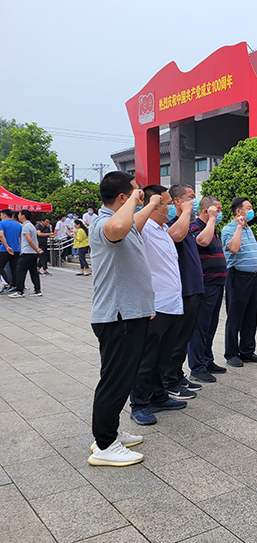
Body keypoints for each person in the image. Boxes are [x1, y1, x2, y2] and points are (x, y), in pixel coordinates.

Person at [87, 171, 154, 467]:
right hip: (118, 317)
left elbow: (131, 224)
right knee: (115, 381)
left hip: (129, 314)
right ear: (123, 197)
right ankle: (104, 444)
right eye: (135, 192)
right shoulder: (104, 223)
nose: (140, 195)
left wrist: (150, 204)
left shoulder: (124, 223)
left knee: (121, 377)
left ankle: (110, 433)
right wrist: (133, 201)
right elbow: (117, 226)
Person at [129, 184, 188, 425]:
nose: (170, 208)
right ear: (155, 204)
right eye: (167, 203)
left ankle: (159, 396)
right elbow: (131, 225)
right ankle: (139, 404)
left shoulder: (163, 229)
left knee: (164, 356)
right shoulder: (144, 228)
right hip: (155, 305)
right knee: (147, 358)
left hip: (172, 303)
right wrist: (147, 202)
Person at [162, 184, 205, 399]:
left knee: (185, 337)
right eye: (190, 197)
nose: (194, 201)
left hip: (194, 288)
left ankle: (178, 375)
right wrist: (186, 212)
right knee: (177, 340)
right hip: (183, 290)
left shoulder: (186, 224)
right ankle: (169, 381)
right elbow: (176, 236)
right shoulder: (172, 225)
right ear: (177, 201)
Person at [221, 197, 257, 368]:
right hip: (237, 277)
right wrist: (239, 227)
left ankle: (247, 351)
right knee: (235, 317)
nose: (251, 210)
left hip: (253, 277)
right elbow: (233, 248)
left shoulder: (249, 228)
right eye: (248, 208)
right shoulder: (229, 229)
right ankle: (231, 353)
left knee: (250, 316)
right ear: (238, 211)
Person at [186, 196, 227, 382]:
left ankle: (207, 360)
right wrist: (211, 220)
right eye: (217, 209)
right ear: (206, 211)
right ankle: (197, 367)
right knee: (200, 327)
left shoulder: (212, 229)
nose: (219, 213)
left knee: (210, 325)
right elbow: (202, 241)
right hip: (205, 284)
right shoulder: (195, 227)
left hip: (217, 283)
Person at [8, 210, 43, 298]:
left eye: (19, 215)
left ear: (23, 216)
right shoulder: (32, 226)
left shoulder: (26, 227)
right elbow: (35, 239)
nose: (18, 216)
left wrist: (36, 248)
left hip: (27, 252)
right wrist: (36, 249)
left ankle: (19, 291)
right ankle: (37, 290)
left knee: (20, 271)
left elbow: (29, 240)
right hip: (33, 253)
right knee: (33, 271)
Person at [0, 209, 22, 293]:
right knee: (14, 268)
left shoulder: (1, 223)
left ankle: (7, 284)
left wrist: (6, 246)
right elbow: (20, 236)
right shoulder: (18, 225)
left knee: (0, 267)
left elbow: (1, 235)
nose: (0, 217)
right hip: (16, 249)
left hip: (5, 249)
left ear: (4, 215)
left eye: (1, 215)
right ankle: (15, 285)